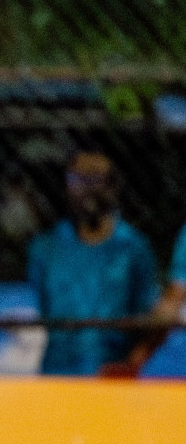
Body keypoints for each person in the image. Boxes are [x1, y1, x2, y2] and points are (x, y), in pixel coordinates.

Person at [27, 149, 159, 376]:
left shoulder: (133, 248)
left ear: (113, 187)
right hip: (58, 372)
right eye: (78, 180)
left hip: (111, 372)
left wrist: (133, 362)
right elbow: (44, 306)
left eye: (96, 180)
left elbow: (145, 311)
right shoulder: (47, 247)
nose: (87, 189)